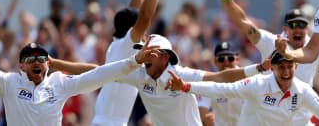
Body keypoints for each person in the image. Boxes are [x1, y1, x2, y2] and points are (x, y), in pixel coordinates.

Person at [0, 16, 156, 125]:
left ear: (48, 63)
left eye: (41, 58)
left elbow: (98, 75)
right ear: (21, 65)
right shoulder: (8, 82)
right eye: (30, 59)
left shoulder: (60, 83)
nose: (36, 62)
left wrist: (134, 60)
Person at [51, 34, 268, 126]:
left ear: (165, 57)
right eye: (143, 52)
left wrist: (258, 68)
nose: (145, 56)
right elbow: (97, 71)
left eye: (151, 53)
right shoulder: (139, 75)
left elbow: (221, 76)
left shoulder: (181, 74)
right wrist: (56, 63)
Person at [88, 0, 167, 126]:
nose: (145, 31)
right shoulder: (127, 45)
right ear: (133, 28)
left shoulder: (118, 44)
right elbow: (144, 16)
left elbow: (133, 10)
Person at [166, 50, 319, 126]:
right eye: (281, 67)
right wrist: (186, 86)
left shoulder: (302, 90)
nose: (286, 72)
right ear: (272, 68)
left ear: (296, 66)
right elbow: (221, 89)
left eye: (289, 67)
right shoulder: (257, 84)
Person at [197, 41, 245, 126]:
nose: (226, 63)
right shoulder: (209, 81)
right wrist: (206, 118)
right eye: (221, 59)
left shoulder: (248, 79)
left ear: (237, 59)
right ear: (215, 61)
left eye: (230, 58)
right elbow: (202, 108)